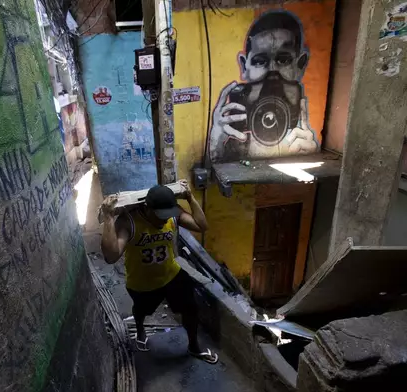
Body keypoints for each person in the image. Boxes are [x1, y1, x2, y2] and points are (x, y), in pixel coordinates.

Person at [100, 181, 218, 364]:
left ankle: (194, 346)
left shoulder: (172, 215)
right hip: (142, 282)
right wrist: (108, 218)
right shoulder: (129, 221)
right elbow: (111, 256)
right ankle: (140, 328)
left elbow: (201, 226)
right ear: (147, 208)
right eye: (160, 216)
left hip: (171, 274)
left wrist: (189, 197)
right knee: (142, 310)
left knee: (190, 309)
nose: (164, 220)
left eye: (167, 215)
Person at [209, 10, 318, 162]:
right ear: (243, 65)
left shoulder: (301, 136)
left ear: (300, 64)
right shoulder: (234, 137)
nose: (272, 72)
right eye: (260, 61)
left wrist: (308, 156)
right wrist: (216, 145)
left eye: (284, 60)